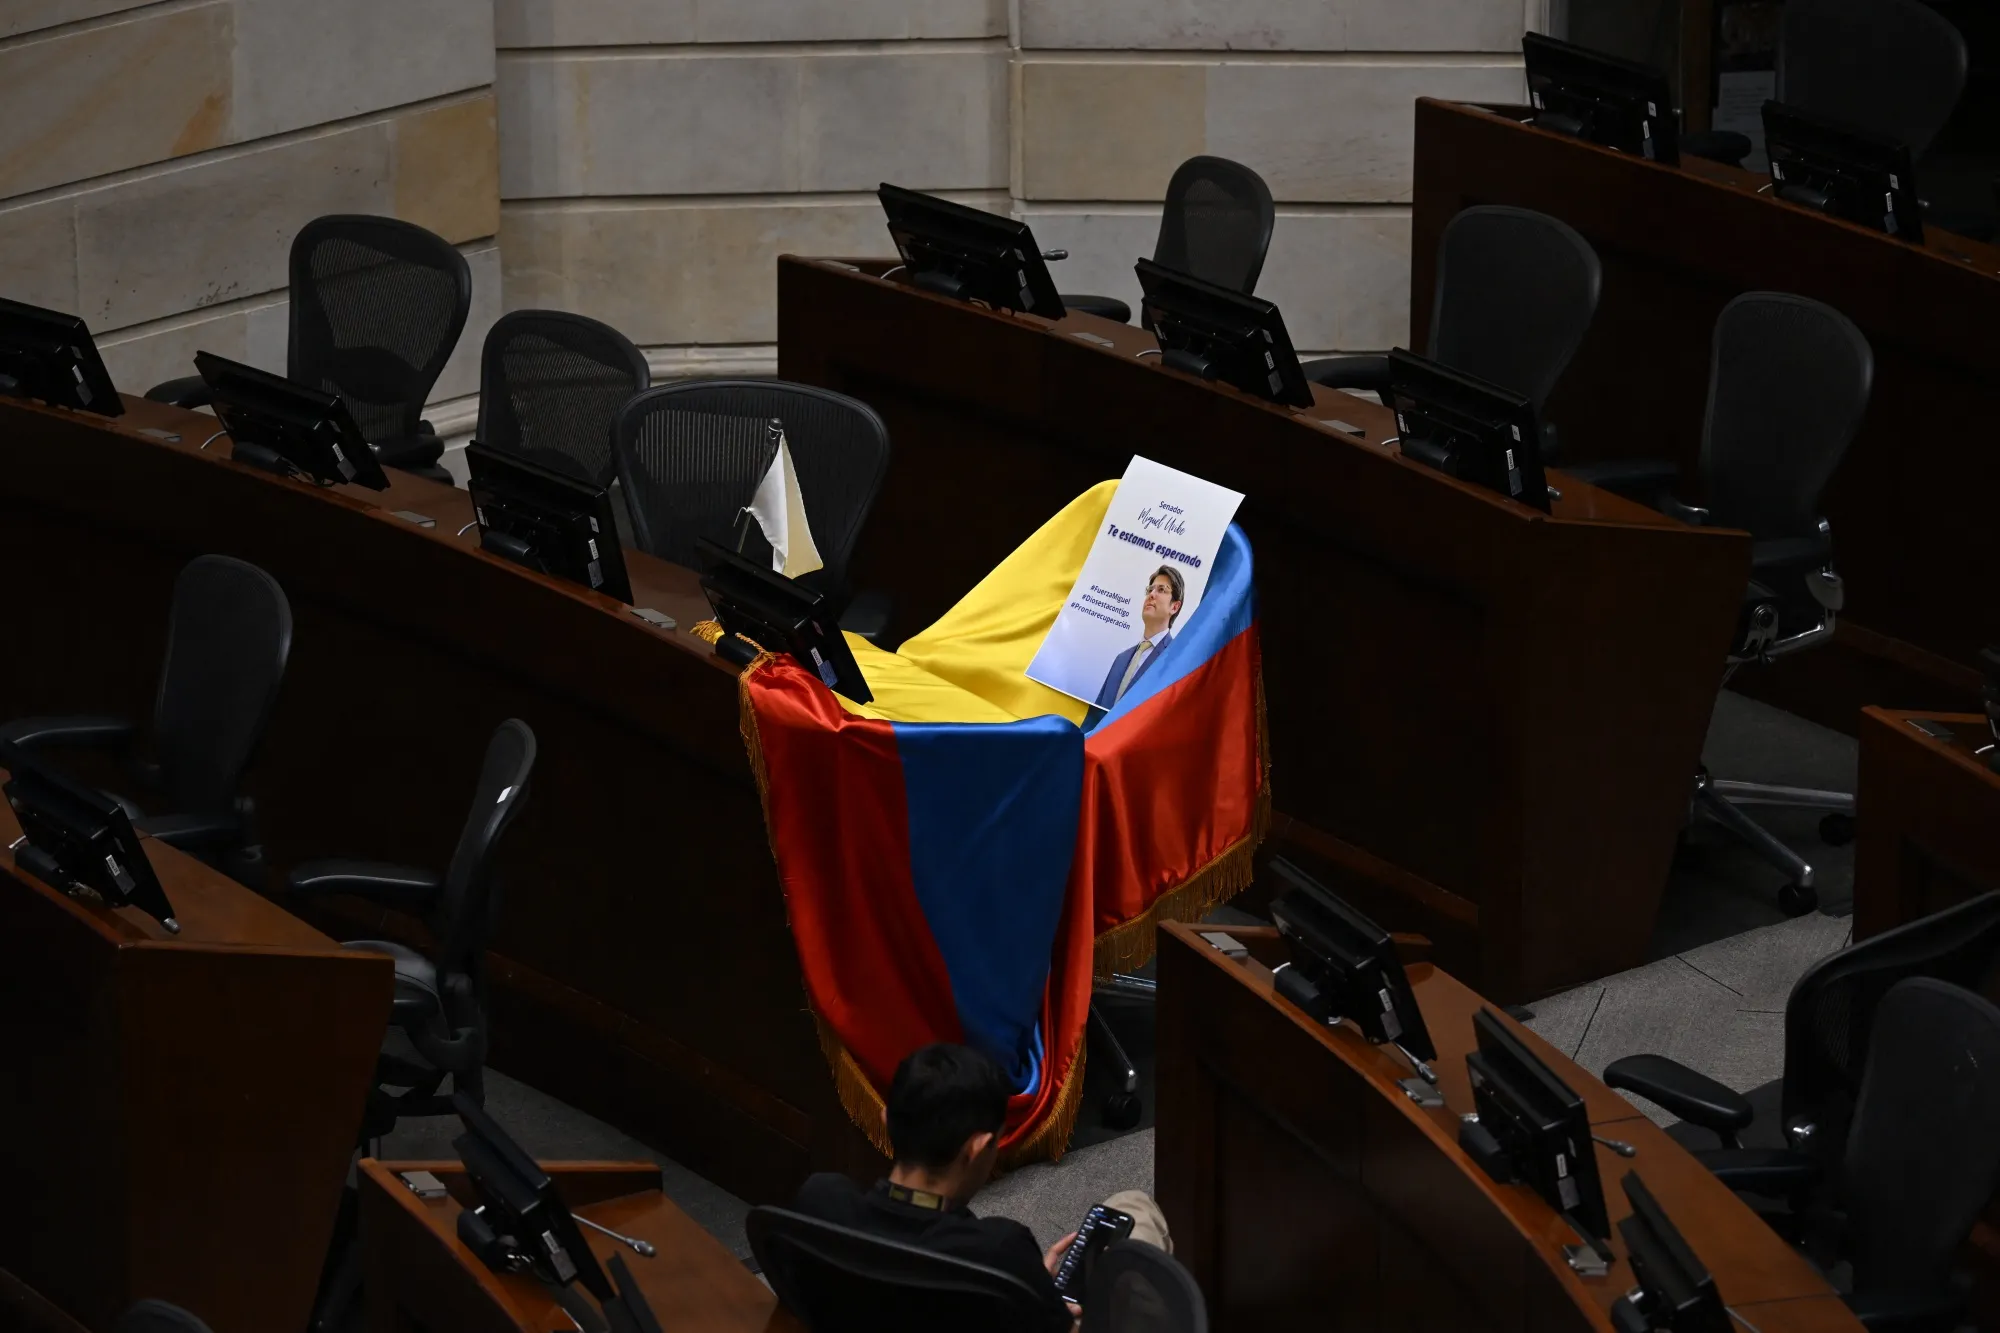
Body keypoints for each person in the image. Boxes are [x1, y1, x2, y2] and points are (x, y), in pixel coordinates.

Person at [794, 1043, 1171, 1326]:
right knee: (1135, 1210)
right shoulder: (997, 1249)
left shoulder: (821, 1203)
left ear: (887, 1120)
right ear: (976, 1149)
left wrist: (1026, 1288)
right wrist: (1040, 1294)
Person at [1092, 565, 1185, 711]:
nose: (1151, 594)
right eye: (1150, 590)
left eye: (1161, 590)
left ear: (1174, 607)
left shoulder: (1176, 661)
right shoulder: (1120, 659)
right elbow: (1095, 714)